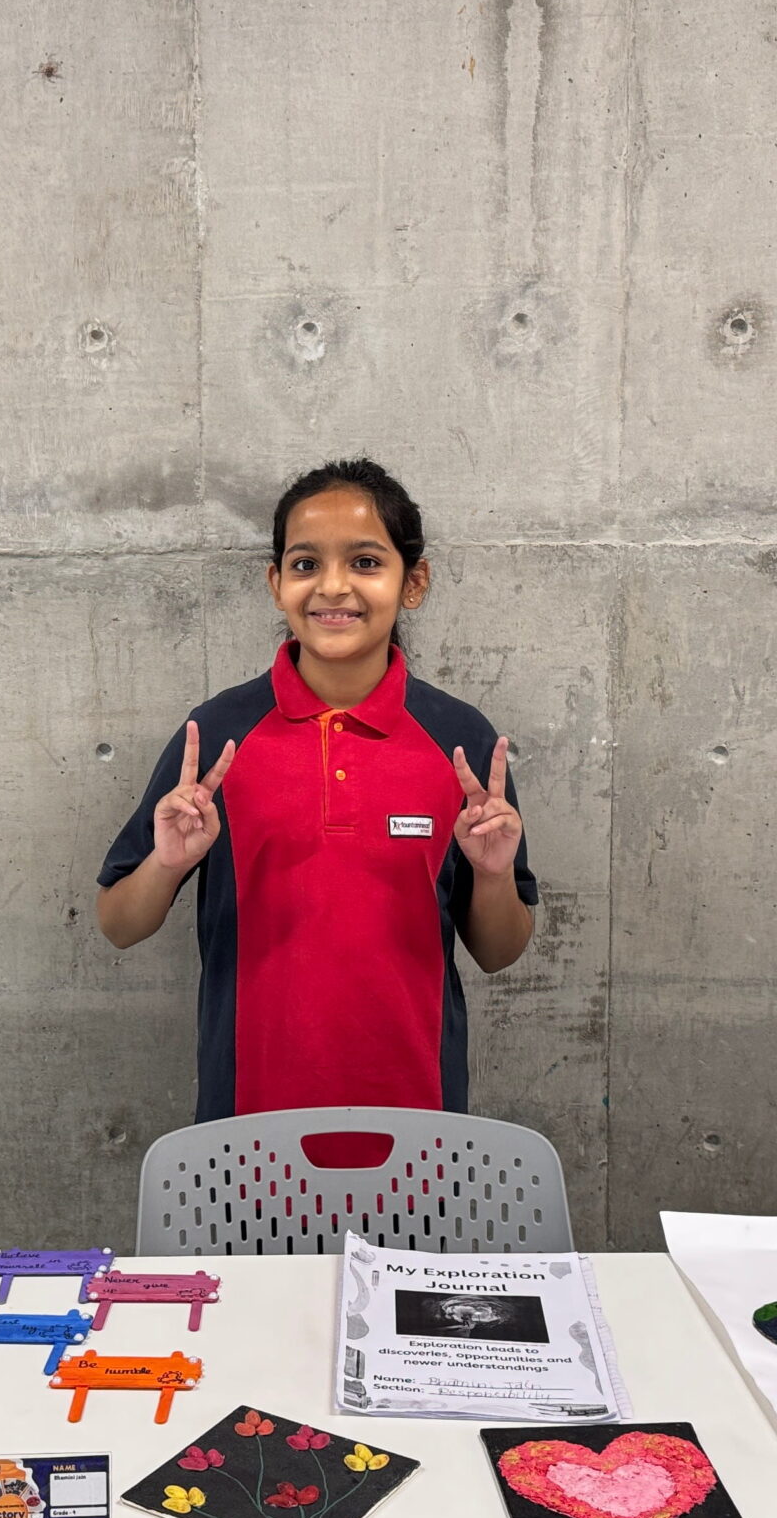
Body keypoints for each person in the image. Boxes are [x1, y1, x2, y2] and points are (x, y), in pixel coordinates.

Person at [96, 458, 536, 1122]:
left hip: (417, 1122)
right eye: (305, 564)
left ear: (413, 582)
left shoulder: (460, 741)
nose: (333, 586)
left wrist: (495, 876)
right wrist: (166, 862)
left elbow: (499, 953)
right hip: (247, 1126)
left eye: (365, 562)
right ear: (276, 583)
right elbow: (118, 924)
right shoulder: (216, 736)